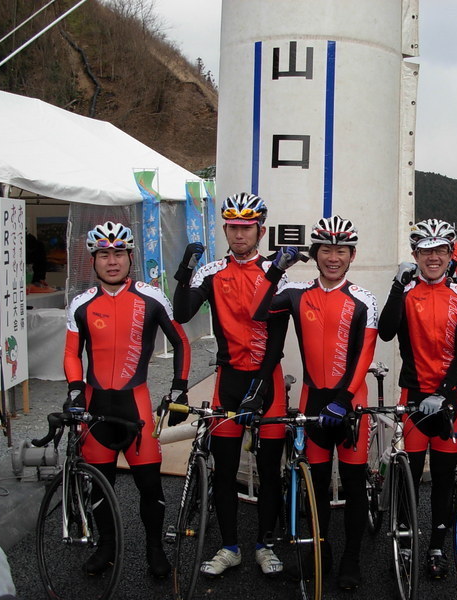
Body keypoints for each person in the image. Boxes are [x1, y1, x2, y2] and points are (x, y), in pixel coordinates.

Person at [252, 215, 378, 590]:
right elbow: (260, 313)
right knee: (317, 487)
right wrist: (275, 271)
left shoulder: (363, 299)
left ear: (352, 255)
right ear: (316, 253)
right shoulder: (296, 293)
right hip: (312, 401)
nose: (333, 257)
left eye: (341, 250)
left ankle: (351, 558)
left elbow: (364, 354)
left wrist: (342, 400)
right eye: (326, 249)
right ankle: (318, 552)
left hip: (350, 404)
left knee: (354, 486)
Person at [173, 192, 291, 578]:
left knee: (270, 468)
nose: (239, 234)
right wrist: (185, 270)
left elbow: (277, 334)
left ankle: (264, 544)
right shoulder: (212, 271)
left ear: (260, 230)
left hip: (267, 378)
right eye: (233, 227)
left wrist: (261, 383)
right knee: (224, 470)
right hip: (228, 379)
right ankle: (229, 547)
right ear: (225, 228)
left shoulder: (276, 271)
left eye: (247, 228)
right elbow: (182, 311)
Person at [64, 221, 191, 578]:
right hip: (96, 409)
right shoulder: (82, 304)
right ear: (93, 260)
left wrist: (180, 386)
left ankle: (154, 549)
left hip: (136, 409)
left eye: (119, 253)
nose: (112, 261)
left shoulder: (152, 297)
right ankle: (106, 547)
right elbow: (72, 354)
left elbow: (180, 341)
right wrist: (75, 389)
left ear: (130, 256)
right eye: (104, 254)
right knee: (99, 485)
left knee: (149, 485)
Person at [378, 218, 457, 579]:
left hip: (448, 397)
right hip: (414, 395)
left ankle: (436, 546)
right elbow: (386, 332)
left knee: (445, 481)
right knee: (409, 477)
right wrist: (395, 287)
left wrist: (444, 392)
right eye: (426, 251)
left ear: (451, 254)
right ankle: (403, 543)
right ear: (415, 254)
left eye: (440, 250)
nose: (433, 257)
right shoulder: (407, 292)